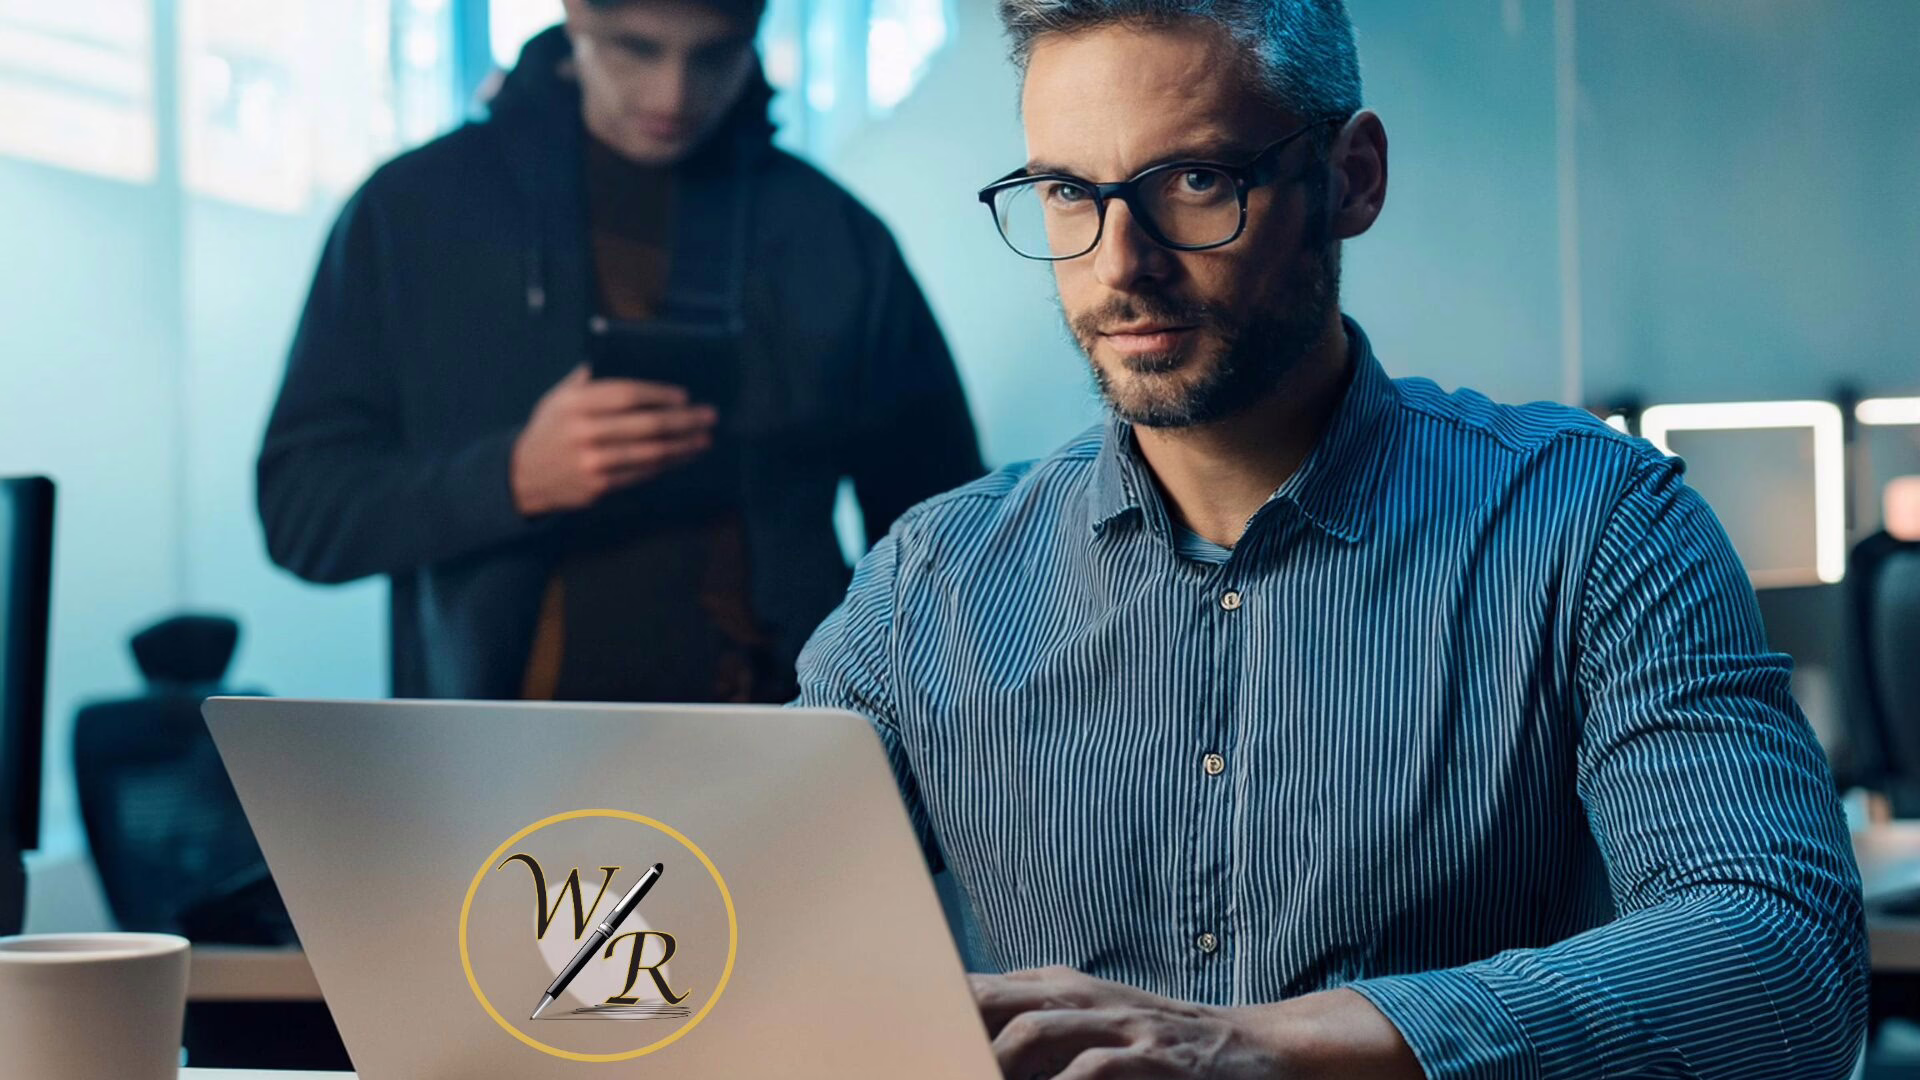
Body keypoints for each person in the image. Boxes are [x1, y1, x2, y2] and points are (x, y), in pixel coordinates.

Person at [794, 1, 1866, 1076]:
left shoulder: (1594, 525)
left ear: (1351, 178)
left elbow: (1784, 965)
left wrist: (1260, 1047)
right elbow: (724, 922)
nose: (1120, 264)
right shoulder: (929, 585)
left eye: (1196, 181)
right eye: (1070, 193)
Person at [258, 0, 981, 702]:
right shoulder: (411, 211)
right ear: (575, 16)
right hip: (493, 773)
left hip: (779, 755)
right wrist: (511, 479)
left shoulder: (837, 235)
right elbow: (301, 510)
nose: (674, 93)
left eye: (713, 54)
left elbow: (945, 539)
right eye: (637, 48)